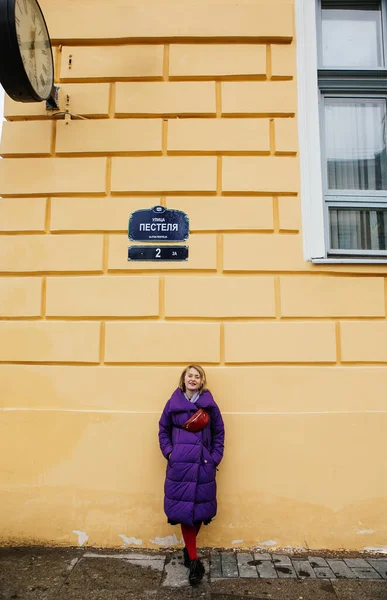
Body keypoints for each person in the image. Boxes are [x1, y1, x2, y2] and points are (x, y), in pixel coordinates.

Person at [158, 364, 225, 586]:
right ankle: (194, 561)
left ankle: (189, 549)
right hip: (180, 466)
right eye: (190, 375)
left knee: (197, 511)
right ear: (183, 379)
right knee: (185, 510)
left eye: (197, 376)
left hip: (202, 464)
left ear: (201, 381)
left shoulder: (209, 405)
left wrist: (214, 456)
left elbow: (219, 431)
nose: (193, 379)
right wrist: (170, 452)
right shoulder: (173, 403)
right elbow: (163, 429)